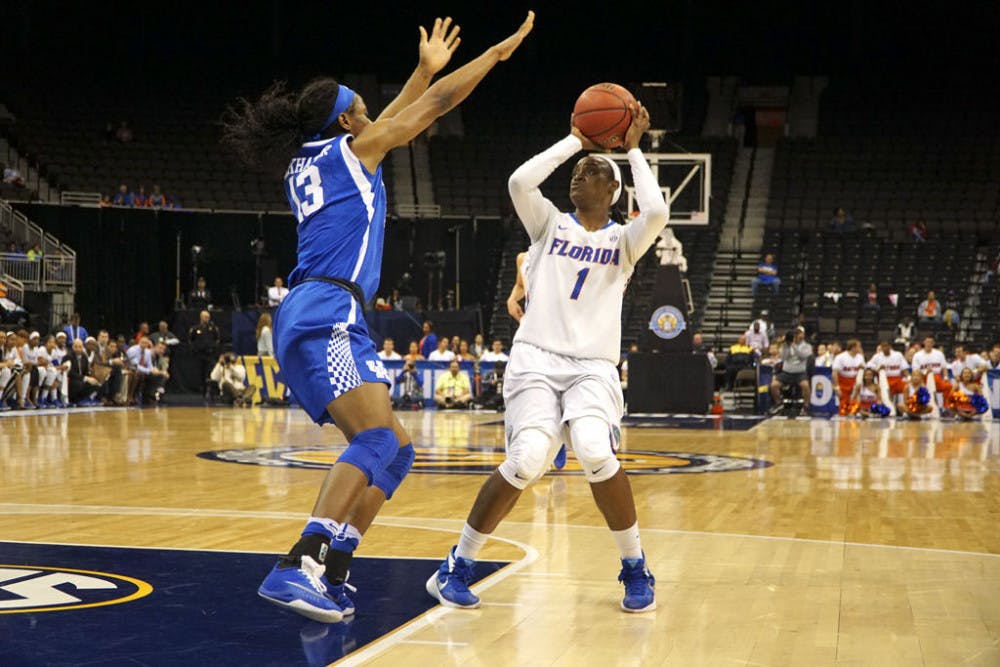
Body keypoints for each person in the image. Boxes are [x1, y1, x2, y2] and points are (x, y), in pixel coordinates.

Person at [222, 12, 535, 623]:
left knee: (395, 450)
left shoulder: (315, 159)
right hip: (326, 311)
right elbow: (436, 105)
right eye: (365, 110)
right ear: (345, 122)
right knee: (371, 439)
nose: (377, 118)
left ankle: (336, 569)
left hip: (324, 311)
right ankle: (297, 563)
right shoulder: (349, 152)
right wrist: (494, 56)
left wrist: (419, 69)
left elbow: (396, 116)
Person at [428, 101, 662, 614]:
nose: (580, 174)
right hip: (535, 358)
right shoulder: (548, 224)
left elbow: (658, 212)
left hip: (592, 367)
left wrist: (633, 149)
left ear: (613, 193)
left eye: (593, 172)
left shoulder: (625, 241)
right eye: (578, 170)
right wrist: (577, 140)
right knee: (528, 458)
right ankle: (458, 564)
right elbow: (519, 182)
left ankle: (635, 565)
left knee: (595, 450)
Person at [768, 328, 812, 416]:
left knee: (806, 386)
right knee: (774, 385)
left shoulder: (807, 346)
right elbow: (784, 358)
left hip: (800, 373)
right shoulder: (785, 346)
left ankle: (806, 407)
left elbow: (803, 356)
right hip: (786, 373)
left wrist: (794, 346)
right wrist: (787, 345)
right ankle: (778, 403)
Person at [188, 310, 220, 399]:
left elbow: (217, 339)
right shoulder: (195, 329)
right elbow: (191, 340)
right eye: (205, 317)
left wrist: (213, 348)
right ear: (201, 317)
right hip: (199, 355)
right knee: (200, 373)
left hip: (210, 355)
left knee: (210, 373)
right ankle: (202, 391)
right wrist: (195, 349)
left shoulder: (213, 328)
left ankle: (210, 392)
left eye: (208, 317)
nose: (207, 319)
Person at [911, 336, 952, 406]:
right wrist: (925, 373)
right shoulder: (917, 355)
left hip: (937, 377)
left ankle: (946, 406)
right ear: (924, 343)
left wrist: (946, 378)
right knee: (916, 388)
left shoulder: (939, 354)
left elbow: (944, 368)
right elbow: (915, 371)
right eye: (927, 342)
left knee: (949, 386)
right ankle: (920, 406)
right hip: (923, 378)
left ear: (933, 343)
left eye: (931, 342)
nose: (929, 344)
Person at [867, 340, 909, 405]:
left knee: (908, 386)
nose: (885, 348)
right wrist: (877, 369)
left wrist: (909, 378)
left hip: (897, 380)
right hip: (883, 380)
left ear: (890, 346)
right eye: (883, 346)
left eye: (886, 346)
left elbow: (905, 370)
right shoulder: (877, 357)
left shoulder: (898, 355)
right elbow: (869, 367)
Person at [832, 339, 865, 415]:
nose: (860, 349)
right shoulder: (840, 357)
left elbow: (864, 370)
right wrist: (837, 386)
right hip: (843, 382)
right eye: (858, 347)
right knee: (844, 407)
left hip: (855, 382)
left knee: (855, 405)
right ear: (853, 347)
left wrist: (862, 367)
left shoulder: (860, 357)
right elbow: (835, 372)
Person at [66, 338, 101, 405]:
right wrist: (85, 378)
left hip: (81, 379)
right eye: (76, 347)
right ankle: (76, 400)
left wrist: (92, 378)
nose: (78, 349)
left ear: (82, 347)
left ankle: (86, 398)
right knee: (79, 383)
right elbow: (70, 373)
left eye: (80, 347)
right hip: (72, 380)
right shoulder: (69, 356)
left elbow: (86, 372)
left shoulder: (84, 357)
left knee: (95, 382)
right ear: (72, 347)